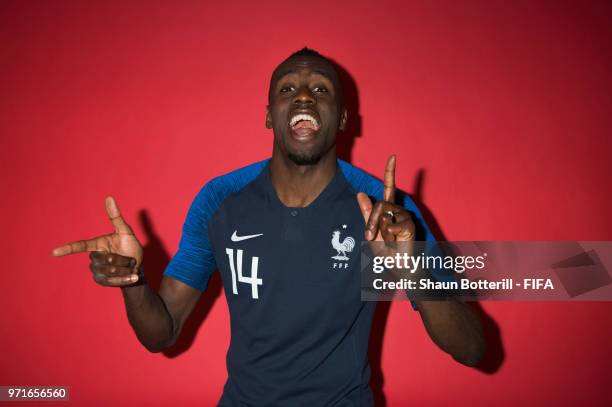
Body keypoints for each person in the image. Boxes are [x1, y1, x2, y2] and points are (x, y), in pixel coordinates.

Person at [53, 48, 485, 406]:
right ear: (268, 115)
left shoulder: (387, 211)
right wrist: (133, 282)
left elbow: (473, 348)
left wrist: (412, 273)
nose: (303, 97)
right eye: (288, 89)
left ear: (342, 119)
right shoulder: (220, 200)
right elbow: (161, 332)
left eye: (320, 89)